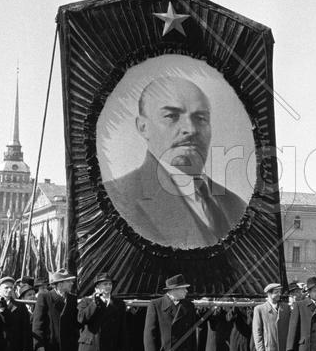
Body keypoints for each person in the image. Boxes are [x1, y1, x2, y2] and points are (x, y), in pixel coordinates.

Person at [103, 76, 247, 249]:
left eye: (200, 118)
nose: (190, 129)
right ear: (143, 127)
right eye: (171, 116)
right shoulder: (116, 199)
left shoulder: (236, 205)